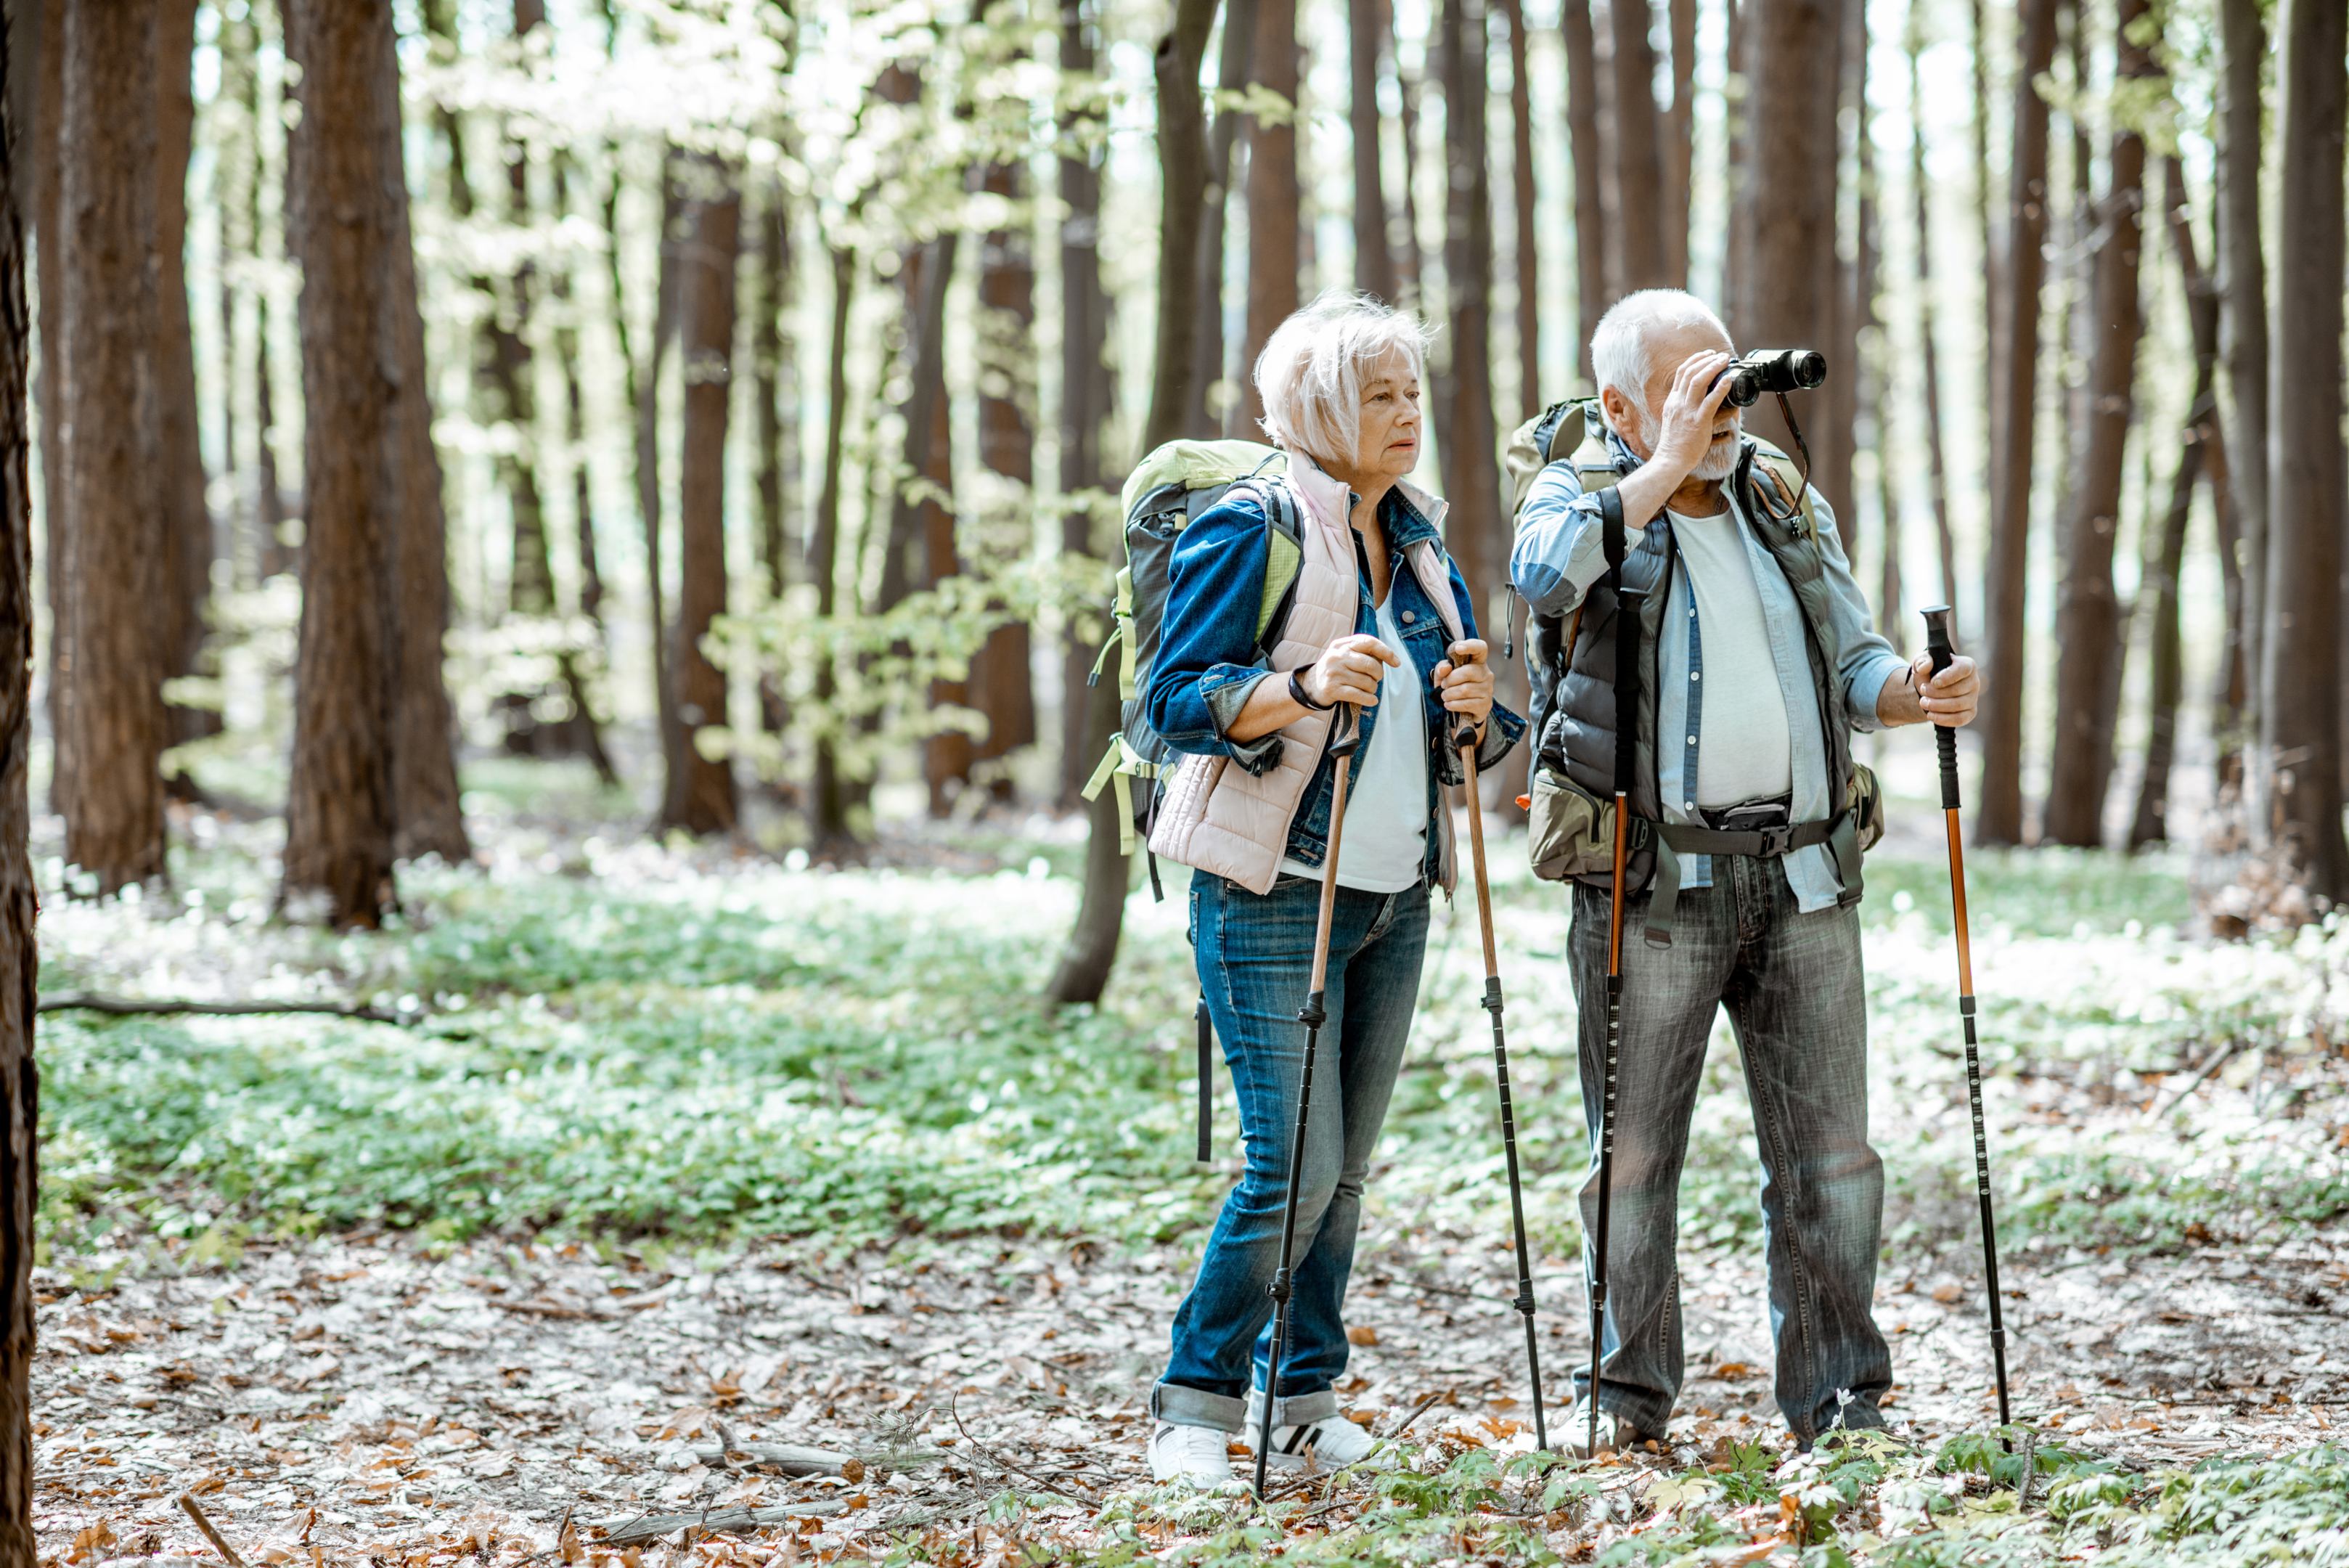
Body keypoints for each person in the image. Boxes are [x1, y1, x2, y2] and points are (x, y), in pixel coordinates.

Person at [1510, 289, 1980, 1454]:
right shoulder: (1579, 490)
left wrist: (1912, 696)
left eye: (1728, 379)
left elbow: (1854, 651)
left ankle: (1840, 1398)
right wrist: (1664, 462)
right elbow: (1545, 579)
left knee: (1832, 1161)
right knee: (1632, 1162)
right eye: (1690, 388)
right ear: (1622, 403)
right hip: (1654, 890)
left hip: (1807, 879)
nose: (1724, 407)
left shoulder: (1778, 491)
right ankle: (1624, 1400)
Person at [1140, 292, 1525, 1487]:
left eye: (1414, 392)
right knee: (1291, 1169)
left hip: (1393, 897)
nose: (1409, 414)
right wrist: (1303, 683)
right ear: (1317, 407)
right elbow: (1175, 702)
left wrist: (1482, 713)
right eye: (1380, 395)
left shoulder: (1415, 541)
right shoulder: (1252, 529)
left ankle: (1302, 1399)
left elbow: (1471, 733)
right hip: (1271, 892)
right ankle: (1194, 1410)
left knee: (1345, 1172)